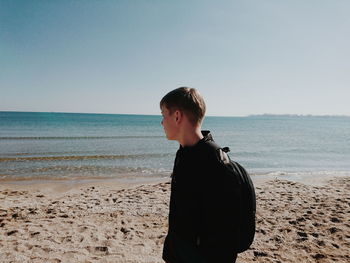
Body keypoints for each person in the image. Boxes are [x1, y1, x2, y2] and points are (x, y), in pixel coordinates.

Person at [160, 87, 238, 263]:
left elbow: (221, 227)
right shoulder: (188, 153)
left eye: (164, 115)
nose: (162, 122)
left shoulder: (210, 161)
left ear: (177, 116)